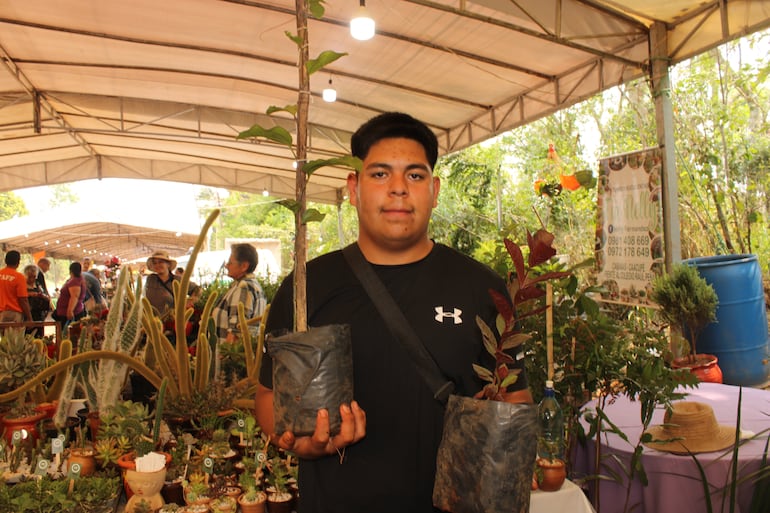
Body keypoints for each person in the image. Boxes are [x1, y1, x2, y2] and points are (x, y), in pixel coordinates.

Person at [256, 112, 533, 513]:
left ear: (435, 190)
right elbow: (267, 396)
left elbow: (515, 396)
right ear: (353, 188)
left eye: (415, 176)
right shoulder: (305, 287)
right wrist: (303, 442)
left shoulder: (480, 287)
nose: (399, 189)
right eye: (380, 174)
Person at [210, 243, 267, 375]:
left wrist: (224, 359)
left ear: (244, 266)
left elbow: (236, 329)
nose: (226, 265)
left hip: (233, 363)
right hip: (245, 359)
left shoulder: (244, 287)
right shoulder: (254, 285)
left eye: (230, 262)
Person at [0, 250, 32, 324]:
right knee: (14, 335)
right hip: (14, 314)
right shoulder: (19, 277)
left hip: (0, 313)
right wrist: (30, 318)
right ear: (18, 262)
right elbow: (23, 299)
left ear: (5, 261)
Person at [53, 262, 87, 331]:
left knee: (67, 333)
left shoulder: (75, 281)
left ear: (70, 270)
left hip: (70, 313)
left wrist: (70, 310)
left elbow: (74, 296)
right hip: (68, 311)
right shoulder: (77, 280)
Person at [144, 251, 178, 317]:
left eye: (160, 262)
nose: (157, 265)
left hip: (170, 321)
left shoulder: (177, 280)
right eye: (155, 263)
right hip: (151, 320)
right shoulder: (151, 279)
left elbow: (197, 289)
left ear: (168, 264)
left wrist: (191, 300)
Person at [24, 264, 51, 337]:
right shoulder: (22, 285)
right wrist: (30, 294)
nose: (32, 280)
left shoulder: (38, 285)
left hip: (39, 315)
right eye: (29, 277)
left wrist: (43, 296)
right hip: (27, 315)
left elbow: (46, 296)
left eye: (34, 277)